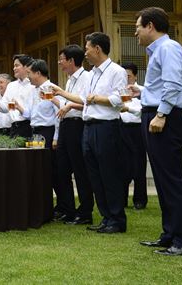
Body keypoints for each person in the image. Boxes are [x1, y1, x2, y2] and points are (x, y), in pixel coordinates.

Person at [133, 7, 182, 256]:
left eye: (138, 26)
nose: (136, 32)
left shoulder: (168, 48)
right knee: (162, 181)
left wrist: (161, 114)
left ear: (150, 25)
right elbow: (163, 85)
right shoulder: (159, 51)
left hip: (165, 118)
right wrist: (142, 92)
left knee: (172, 181)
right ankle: (170, 235)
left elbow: (173, 84)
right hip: (154, 114)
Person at [51, 32, 128, 234]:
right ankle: (105, 217)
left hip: (107, 127)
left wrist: (98, 99)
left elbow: (121, 99)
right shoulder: (93, 73)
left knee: (109, 174)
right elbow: (84, 99)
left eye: (87, 48)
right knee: (95, 175)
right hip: (89, 127)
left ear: (97, 48)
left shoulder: (116, 71)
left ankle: (117, 219)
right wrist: (61, 93)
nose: (85, 52)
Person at [56, 44, 94, 225]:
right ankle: (68, 209)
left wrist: (70, 104)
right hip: (65, 125)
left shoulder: (87, 77)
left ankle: (85, 211)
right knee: (62, 169)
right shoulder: (70, 79)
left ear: (71, 60)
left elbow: (88, 102)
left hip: (78, 125)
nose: (59, 63)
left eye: (62, 60)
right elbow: (65, 104)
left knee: (80, 170)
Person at [27, 59, 68, 221]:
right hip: (36, 132)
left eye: (30, 73)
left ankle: (64, 206)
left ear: (38, 73)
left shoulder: (51, 89)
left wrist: (56, 137)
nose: (28, 77)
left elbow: (59, 113)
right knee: (43, 171)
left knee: (55, 171)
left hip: (49, 132)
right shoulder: (34, 91)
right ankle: (50, 205)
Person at [119, 62, 147, 210]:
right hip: (122, 129)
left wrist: (127, 108)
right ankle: (122, 199)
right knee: (122, 166)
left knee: (139, 165)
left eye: (128, 76)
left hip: (138, 131)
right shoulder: (120, 91)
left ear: (135, 76)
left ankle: (140, 200)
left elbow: (142, 110)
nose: (126, 79)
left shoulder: (142, 92)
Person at [0, 54, 36, 138]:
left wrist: (20, 108)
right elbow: (5, 108)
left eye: (17, 65)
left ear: (26, 67)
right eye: (14, 66)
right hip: (14, 127)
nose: (14, 68)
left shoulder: (33, 85)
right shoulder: (11, 85)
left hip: (29, 126)